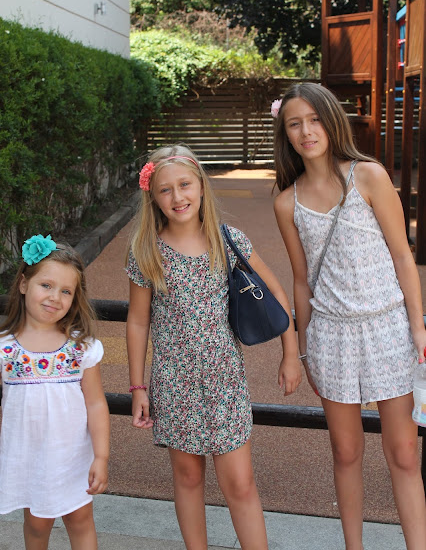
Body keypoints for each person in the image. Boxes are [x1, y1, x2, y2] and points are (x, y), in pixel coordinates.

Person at [272, 82, 426, 550]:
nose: (306, 131)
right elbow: (301, 280)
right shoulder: (286, 201)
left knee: (404, 452)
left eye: (314, 119)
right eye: (294, 124)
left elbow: (403, 256)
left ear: (332, 121)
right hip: (331, 336)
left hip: (387, 325)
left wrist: (418, 326)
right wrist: (303, 348)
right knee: (345, 451)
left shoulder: (369, 176)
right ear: (285, 133)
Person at [125, 144, 301, 550]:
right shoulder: (146, 251)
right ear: (153, 197)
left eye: (185, 185)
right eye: (165, 189)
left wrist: (290, 354)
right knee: (188, 478)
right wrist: (137, 387)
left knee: (240, 483)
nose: (178, 197)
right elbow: (137, 321)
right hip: (174, 383)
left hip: (225, 381)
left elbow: (276, 292)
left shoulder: (228, 240)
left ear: (202, 186)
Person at [0, 235, 110, 550]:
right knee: (36, 524)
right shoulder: (5, 349)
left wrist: (101, 456)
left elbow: (96, 404)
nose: (54, 297)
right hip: (27, 456)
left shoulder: (81, 348)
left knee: (80, 520)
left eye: (65, 291)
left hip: (72, 457)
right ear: (24, 284)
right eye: (46, 285)